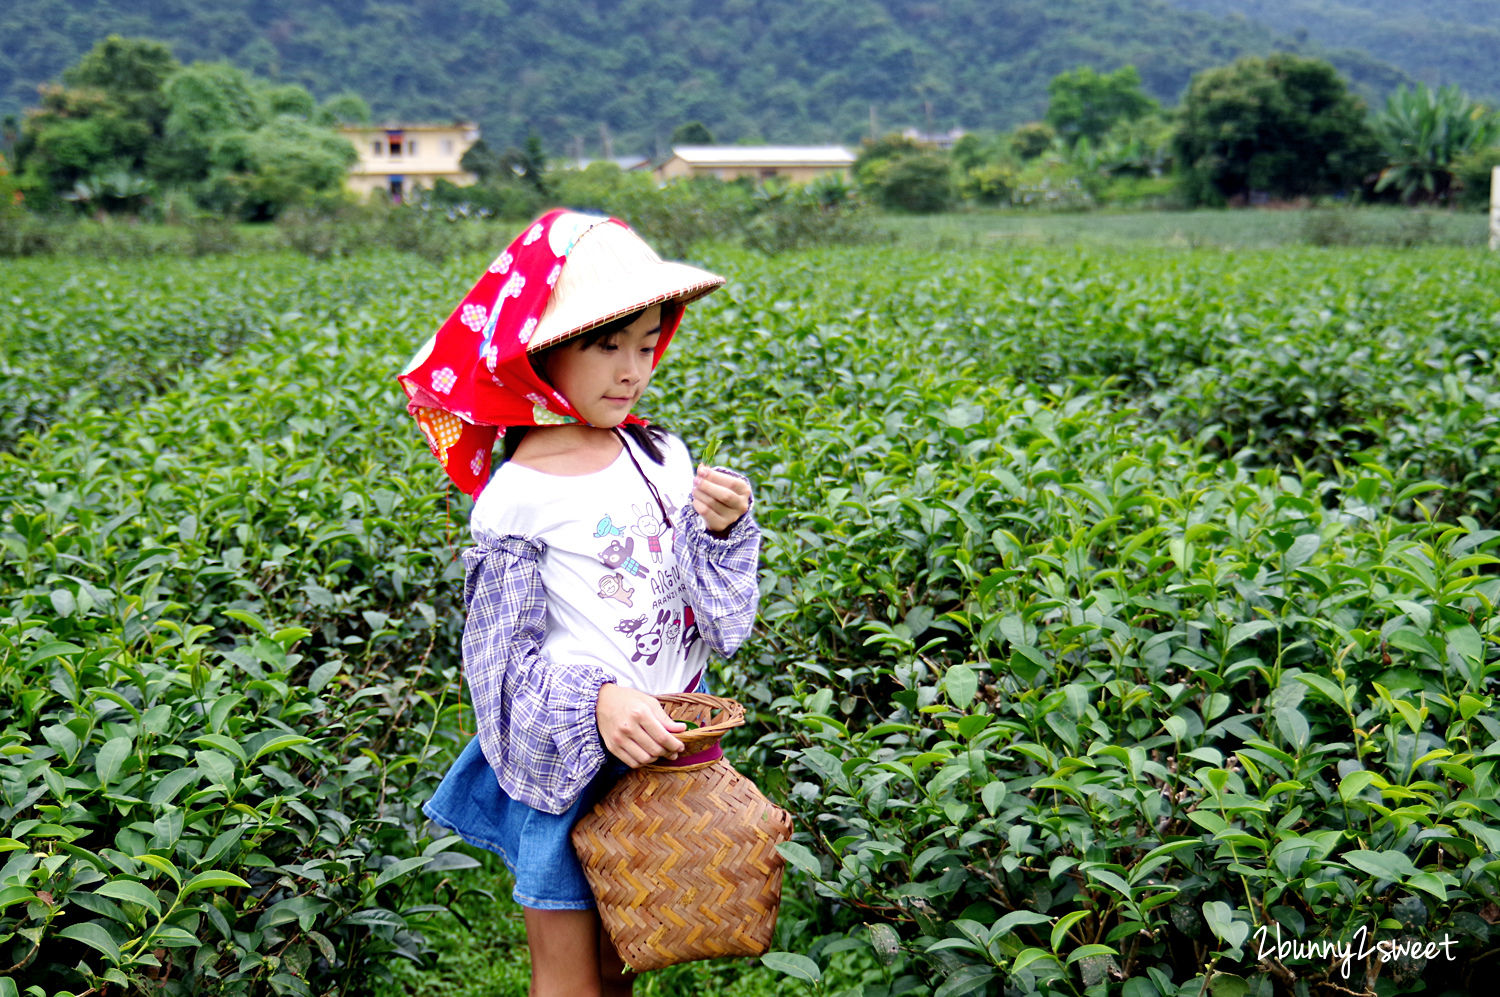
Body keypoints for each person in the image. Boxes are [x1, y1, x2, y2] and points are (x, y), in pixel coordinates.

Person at [396, 210, 760, 996]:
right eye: (606, 345)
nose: (631, 370)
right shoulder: (517, 498)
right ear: (541, 350)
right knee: (567, 973)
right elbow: (499, 664)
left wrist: (722, 530)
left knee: (620, 953)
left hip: (663, 744)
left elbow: (704, 606)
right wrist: (595, 700)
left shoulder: (659, 451)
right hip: (571, 757)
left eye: (646, 342)